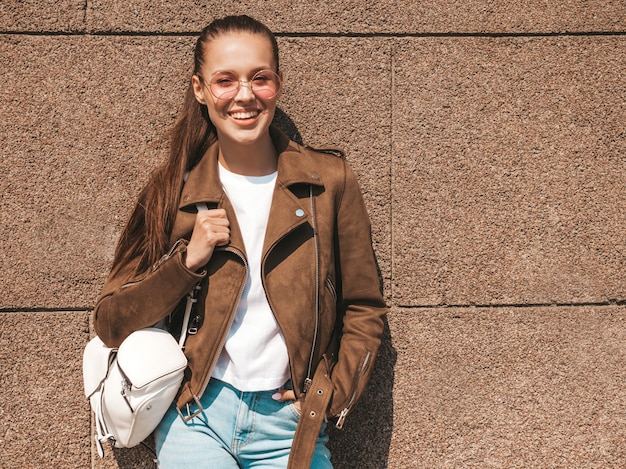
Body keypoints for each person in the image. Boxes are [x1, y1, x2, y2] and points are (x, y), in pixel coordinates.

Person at [93, 14, 387, 469]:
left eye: (260, 78)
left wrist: (334, 394)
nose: (245, 95)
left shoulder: (327, 183)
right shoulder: (174, 191)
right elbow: (111, 321)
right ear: (200, 89)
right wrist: (185, 263)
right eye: (225, 80)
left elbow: (364, 306)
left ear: (279, 85)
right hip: (197, 417)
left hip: (290, 424)